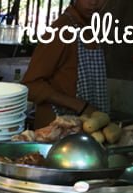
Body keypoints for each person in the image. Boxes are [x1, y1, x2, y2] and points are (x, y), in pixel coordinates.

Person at [22, 0, 111, 129]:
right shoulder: (61, 29)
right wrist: (80, 106)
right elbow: (31, 86)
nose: (94, 2)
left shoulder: (91, 29)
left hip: (87, 128)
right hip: (56, 130)